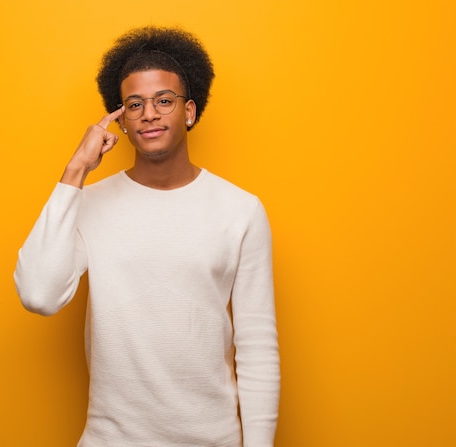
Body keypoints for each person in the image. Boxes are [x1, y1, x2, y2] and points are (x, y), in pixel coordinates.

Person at [14, 26, 280, 447]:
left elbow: (257, 345)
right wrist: (74, 172)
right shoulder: (90, 204)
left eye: (163, 101)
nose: (149, 114)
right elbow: (38, 295)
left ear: (189, 111)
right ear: (120, 120)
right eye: (134, 104)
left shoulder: (240, 210)